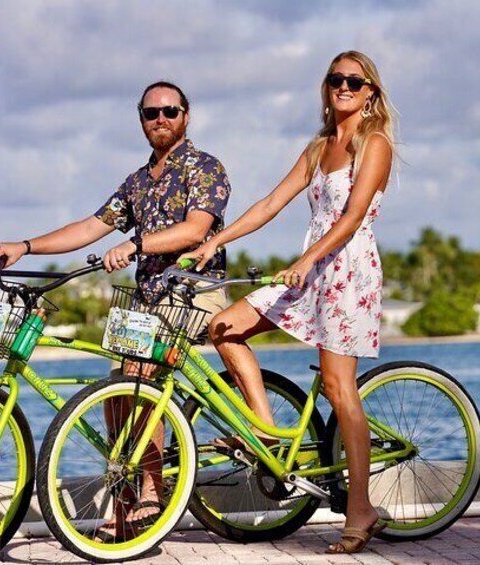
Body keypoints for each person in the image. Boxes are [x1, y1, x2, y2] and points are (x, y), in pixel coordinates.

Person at [0, 80, 231, 540]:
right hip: (146, 301)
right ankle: (128, 491)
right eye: (150, 113)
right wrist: (26, 246)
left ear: (186, 115)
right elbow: (89, 227)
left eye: (169, 111)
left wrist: (137, 243)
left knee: (138, 374)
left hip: (192, 292)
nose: (160, 119)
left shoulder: (205, 168)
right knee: (117, 385)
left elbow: (194, 230)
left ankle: (151, 489)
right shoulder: (137, 182)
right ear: (140, 120)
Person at [179, 50, 395, 554]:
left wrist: (307, 260)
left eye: (354, 81)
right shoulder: (320, 146)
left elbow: (353, 216)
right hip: (308, 267)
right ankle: (270, 435)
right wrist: (215, 239)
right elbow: (270, 203)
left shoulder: (375, 143)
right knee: (225, 328)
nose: (343, 86)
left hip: (346, 269)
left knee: (340, 390)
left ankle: (361, 508)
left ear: (370, 92)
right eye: (335, 79)